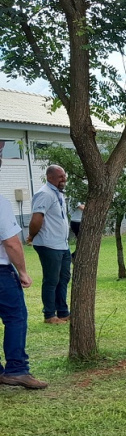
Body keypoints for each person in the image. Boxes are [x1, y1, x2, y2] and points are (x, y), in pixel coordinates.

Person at [0, 158, 47, 390]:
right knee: (15, 318)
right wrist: (23, 271)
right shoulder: (1, 203)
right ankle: (17, 369)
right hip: (1, 272)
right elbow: (11, 242)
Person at [26, 165, 71, 324]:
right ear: (50, 177)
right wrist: (31, 236)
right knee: (52, 280)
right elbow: (36, 219)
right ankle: (49, 315)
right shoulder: (44, 194)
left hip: (62, 244)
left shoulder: (57, 193)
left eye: (64, 176)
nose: (63, 179)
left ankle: (63, 312)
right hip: (48, 244)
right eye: (60, 177)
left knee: (64, 278)